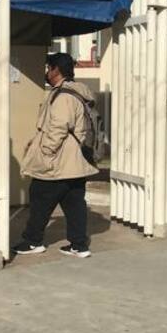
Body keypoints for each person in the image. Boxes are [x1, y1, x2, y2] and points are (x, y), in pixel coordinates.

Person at [14, 53, 100, 258]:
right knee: (74, 203)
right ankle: (79, 245)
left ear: (56, 70)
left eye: (49, 68)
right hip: (74, 162)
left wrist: (46, 151)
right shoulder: (77, 93)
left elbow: (59, 127)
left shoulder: (63, 96)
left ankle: (33, 241)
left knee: (39, 197)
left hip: (58, 161)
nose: (47, 72)